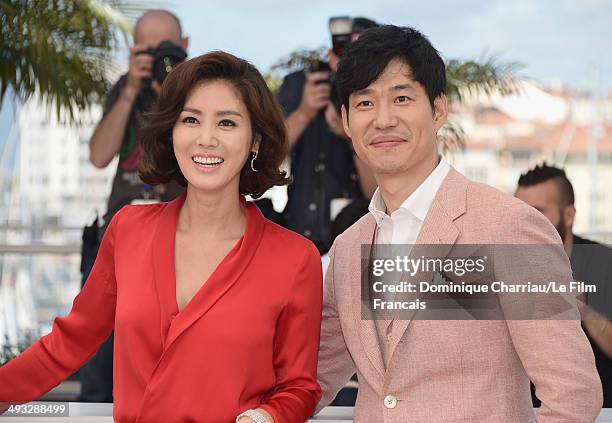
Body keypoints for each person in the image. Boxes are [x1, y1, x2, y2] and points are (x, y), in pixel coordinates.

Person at [0, 52, 323, 423]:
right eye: (190, 120)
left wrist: (264, 418)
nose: (206, 139)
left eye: (227, 123)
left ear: (255, 141)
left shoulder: (296, 258)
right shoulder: (128, 229)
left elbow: (299, 387)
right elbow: (68, 343)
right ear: (172, 132)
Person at [315, 25, 602, 422]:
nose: (382, 119)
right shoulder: (349, 249)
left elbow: (573, 394)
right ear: (346, 121)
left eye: (401, 98)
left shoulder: (509, 227)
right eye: (364, 103)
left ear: (438, 110)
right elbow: (308, 380)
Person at [80, 9, 189, 402]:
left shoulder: (198, 90)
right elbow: (98, 155)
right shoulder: (126, 88)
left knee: (169, 356)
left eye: (168, 49)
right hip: (119, 237)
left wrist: (173, 94)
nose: (160, 57)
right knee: (99, 354)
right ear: (133, 51)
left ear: (186, 47)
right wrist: (130, 91)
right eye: (149, 48)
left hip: (180, 240)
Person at [277, 17, 378, 253]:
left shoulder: (378, 97)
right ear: (333, 54)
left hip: (355, 238)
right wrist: (305, 111)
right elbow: (265, 157)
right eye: (347, 51)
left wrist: (350, 135)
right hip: (299, 234)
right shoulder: (304, 83)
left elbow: (376, 192)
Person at [516, 163, 612, 407]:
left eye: (538, 212)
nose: (526, 222)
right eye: (519, 212)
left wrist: (583, 310)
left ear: (568, 215)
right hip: (526, 408)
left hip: (599, 409)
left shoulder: (604, 263)